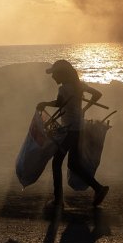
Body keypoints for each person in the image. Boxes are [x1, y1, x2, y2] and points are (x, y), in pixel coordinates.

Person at [35, 59, 109, 210]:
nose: (53, 77)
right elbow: (98, 94)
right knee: (73, 164)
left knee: (56, 163)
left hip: (70, 131)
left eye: (55, 74)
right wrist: (85, 108)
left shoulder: (64, 89)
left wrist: (44, 104)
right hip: (78, 129)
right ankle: (99, 189)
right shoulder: (78, 85)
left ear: (62, 74)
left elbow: (59, 104)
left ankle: (57, 201)